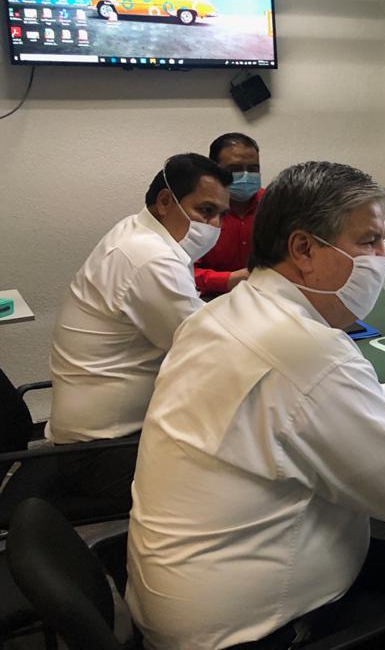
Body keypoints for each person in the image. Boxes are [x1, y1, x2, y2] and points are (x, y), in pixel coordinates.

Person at [126, 161, 385, 649]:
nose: (381, 257)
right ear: (303, 249)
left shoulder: (222, 314)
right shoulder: (309, 353)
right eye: (368, 242)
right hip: (246, 634)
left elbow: (289, 412)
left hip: (180, 596)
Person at [17, 154, 230, 520]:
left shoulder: (136, 232)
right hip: (101, 456)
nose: (214, 225)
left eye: (220, 215)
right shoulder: (150, 257)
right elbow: (208, 351)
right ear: (166, 201)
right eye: (206, 211)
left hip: (91, 439)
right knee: (244, 468)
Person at [194, 132, 264, 298]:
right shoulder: (197, 210)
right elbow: (183, 270)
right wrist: (227, 279)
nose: (246, 176)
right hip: (214, 298)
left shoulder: (274, 204)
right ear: (214, 170)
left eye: (253, 169)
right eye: (235, 169)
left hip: (265, 294)